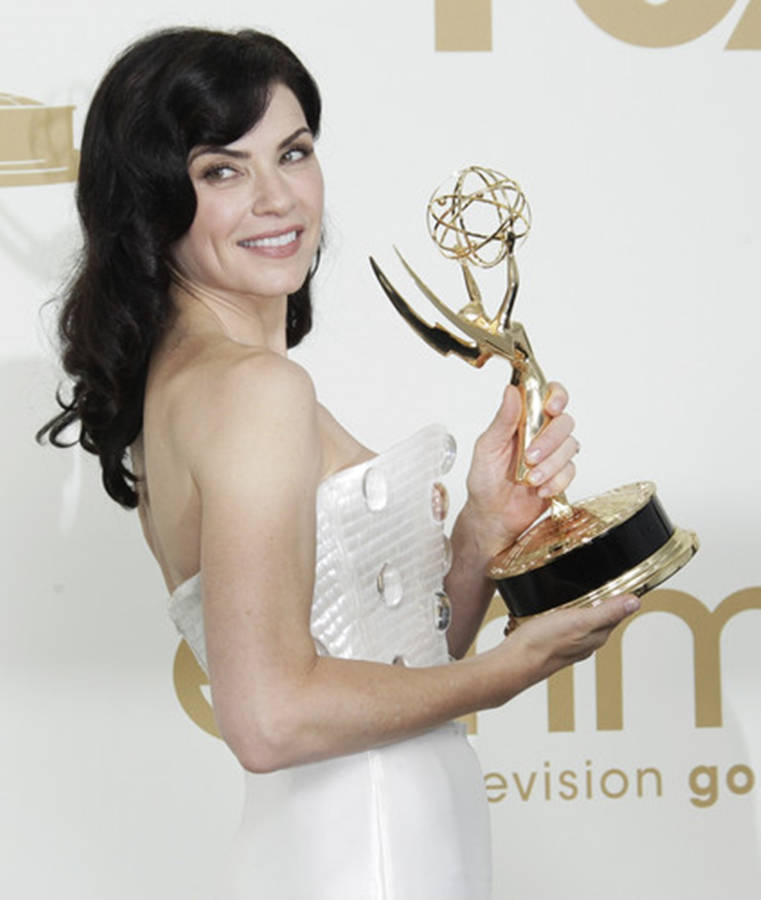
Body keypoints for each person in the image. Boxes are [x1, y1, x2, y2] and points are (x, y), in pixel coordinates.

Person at [38, 27, 639, 899]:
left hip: (370, 837)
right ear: (152, 198)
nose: (277, 199)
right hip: (366, 852)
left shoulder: (196, 387)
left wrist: (477, 533)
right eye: (222, 170)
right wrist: (501, 675)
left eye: (294, 152)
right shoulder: (252, 390)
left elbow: (377, 665)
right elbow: (270, 718)